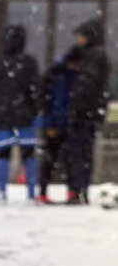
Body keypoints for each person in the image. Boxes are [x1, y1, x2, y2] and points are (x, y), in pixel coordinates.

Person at [0, 24, 43, 203]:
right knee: (28, 154)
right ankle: (31, 193)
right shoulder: (29, 63)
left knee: (3, 154)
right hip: (25, 116)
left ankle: (1, 192)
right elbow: (36, 89)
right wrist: (37, 112)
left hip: (1, 117)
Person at [64, 19, 110, 205]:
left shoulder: (94, 56)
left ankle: (78, 191)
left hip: (85, 112)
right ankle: (79, 191)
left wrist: (77, 105)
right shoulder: (94, 55)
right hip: (89, 111)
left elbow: (88, 84)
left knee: (79, 152)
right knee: (82, 151)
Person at [39, 55, 75, 204]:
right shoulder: (69, 77)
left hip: (53, 123)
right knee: (67, 159)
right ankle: (71, 191)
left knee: (50, 158)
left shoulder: (53, 76)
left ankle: (43, 191)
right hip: (62, 122)